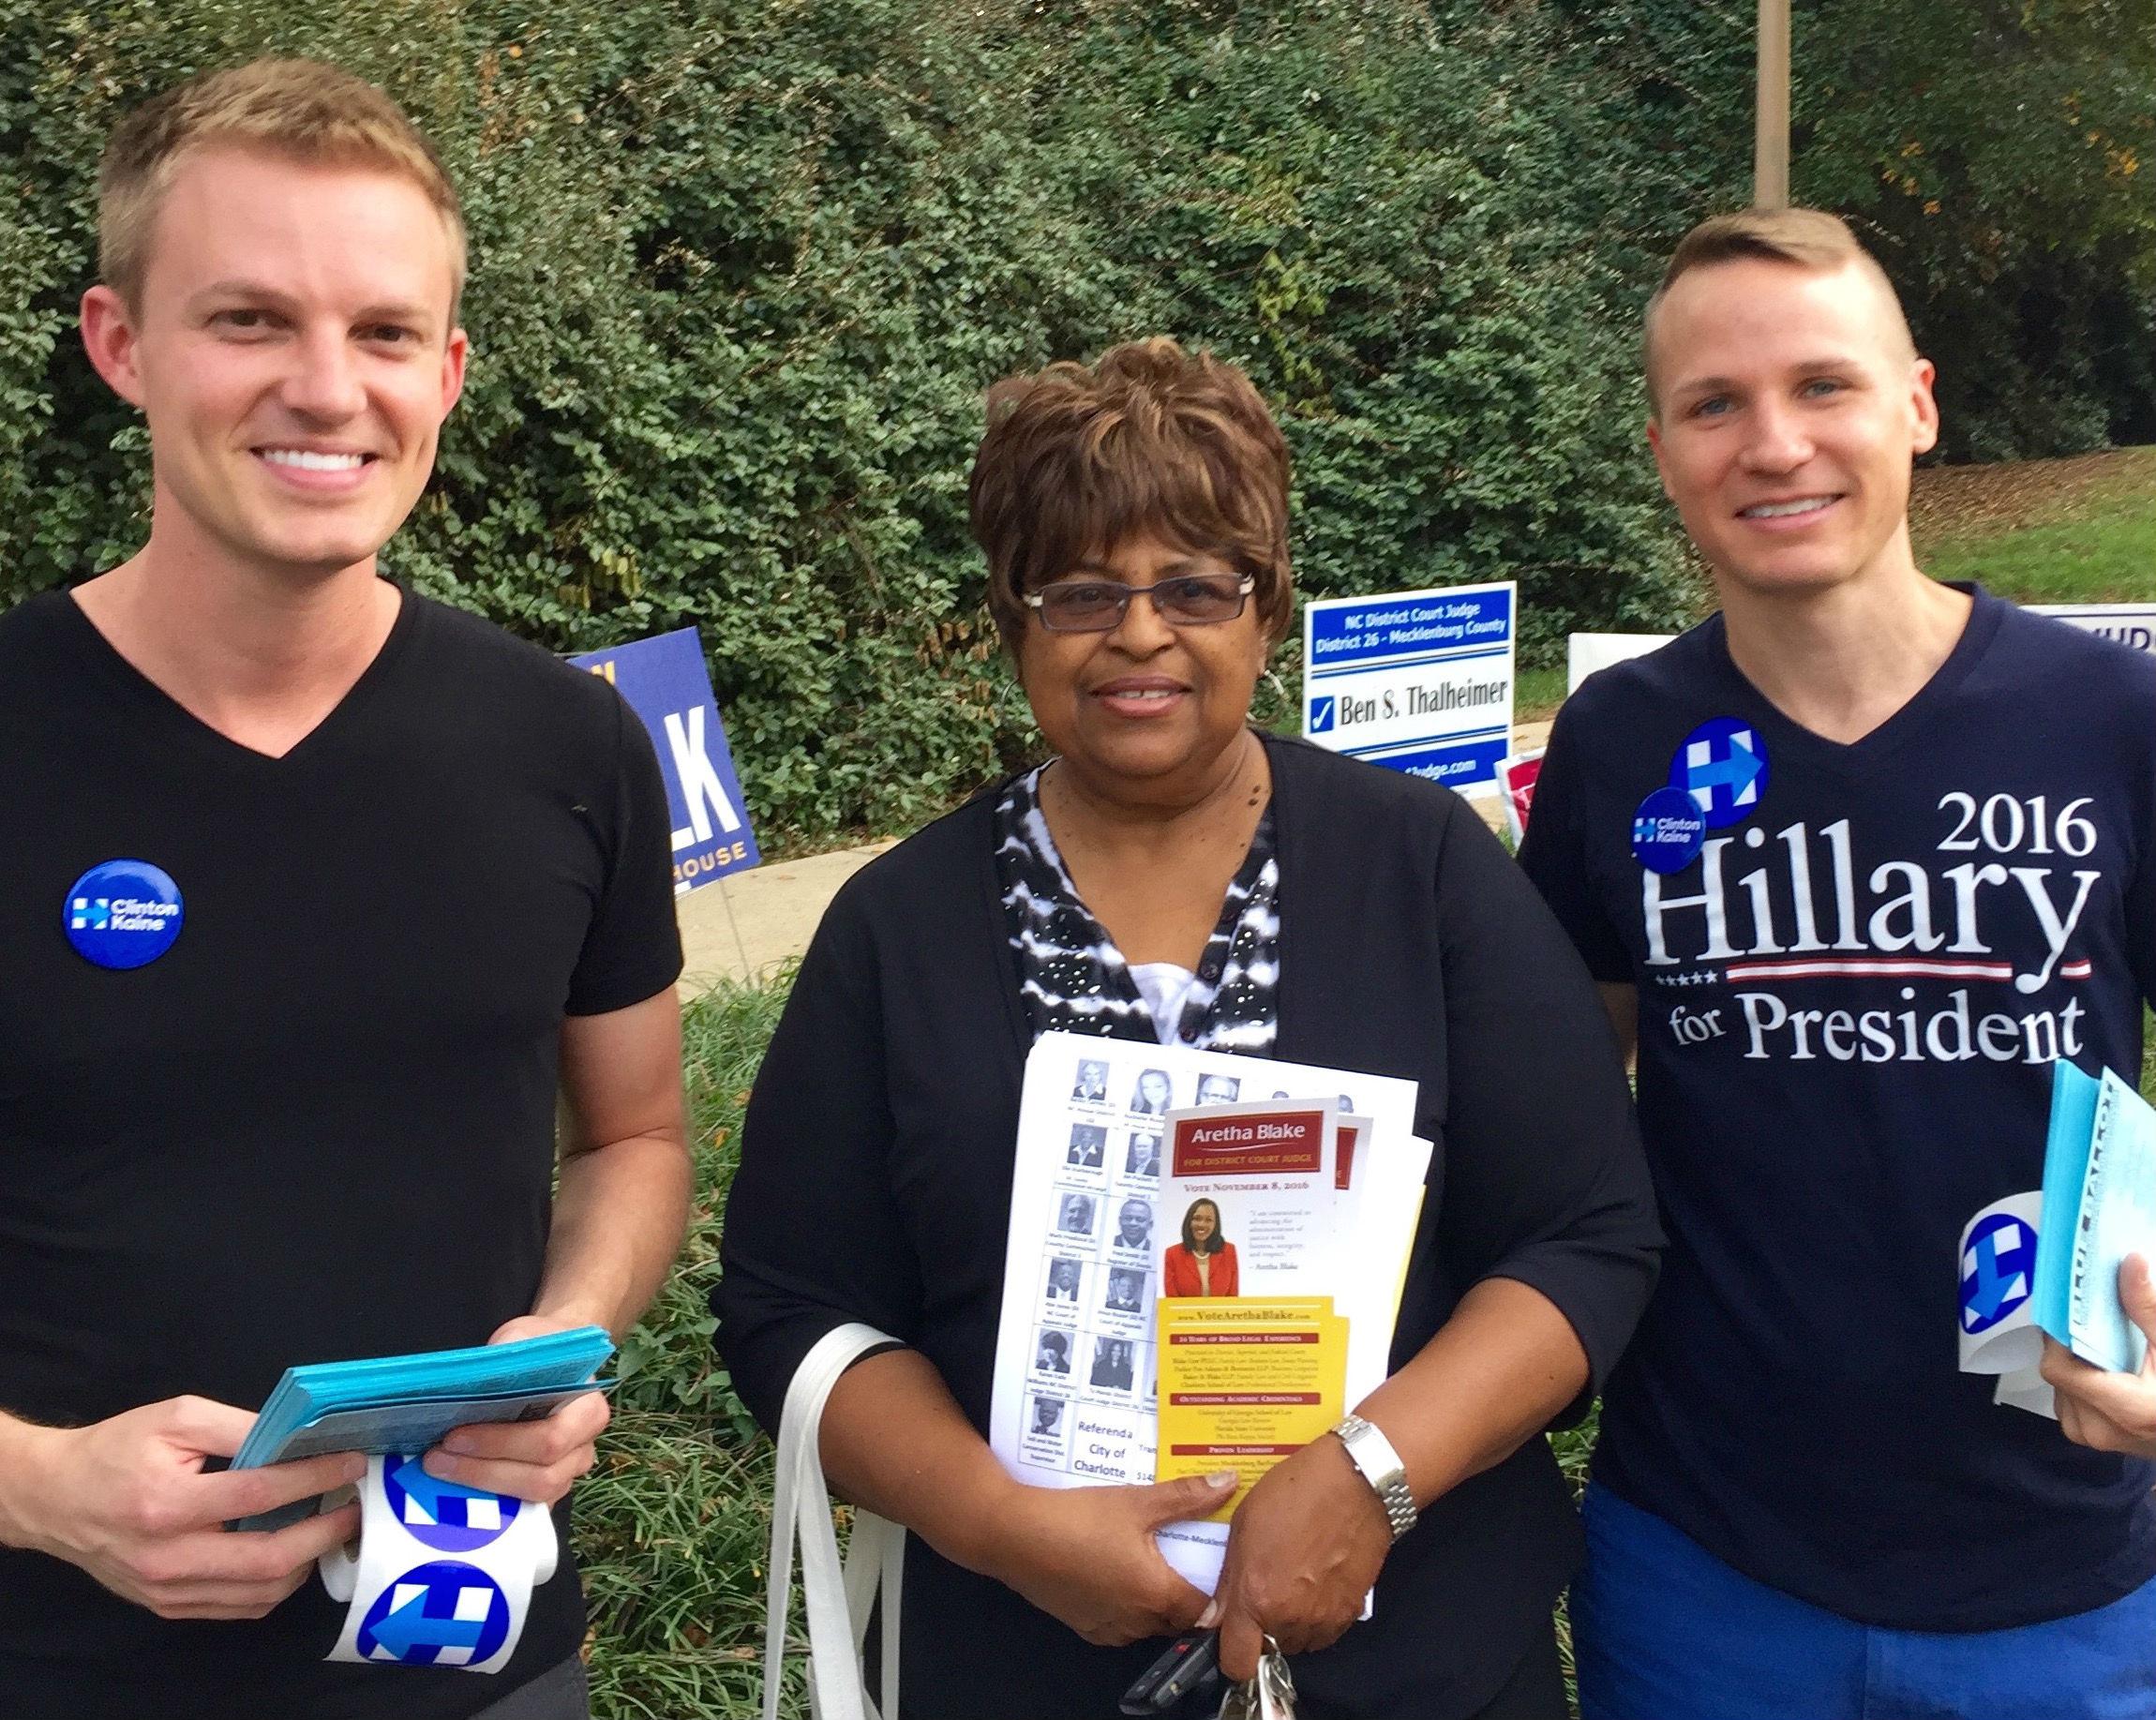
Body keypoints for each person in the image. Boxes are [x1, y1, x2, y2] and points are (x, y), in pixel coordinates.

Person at [718, 337, 1660, 1717]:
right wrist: (995, 1520)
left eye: (1195, 586)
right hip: (1019, 1659)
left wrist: (1370, 1474)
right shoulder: (895, 928)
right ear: (1012, 618)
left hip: (1420, 1656)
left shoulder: (1428, 872)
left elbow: (1587, 1235)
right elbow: (793, 1310)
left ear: (1266, 612)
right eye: (1083, 591)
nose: (1141, 633)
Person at [0, 62, 690, 1720]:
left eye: (384, 334)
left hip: (483, 1664)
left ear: (444, 373)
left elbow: (639, 1140)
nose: (328, 390)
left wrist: (566, 1335)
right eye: (249, 321)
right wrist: (34, 1488)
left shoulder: (570, 744)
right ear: (120, 343)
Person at [1518, 207, 2156, 1720]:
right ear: (1664, 450)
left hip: (2068, 1569)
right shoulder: (1619, 751)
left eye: (1824, 386)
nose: (1773, 444)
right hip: (1706, 1569)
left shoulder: (2105, 722)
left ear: (1918, 405)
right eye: (1714, 405)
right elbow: (1549, 1114)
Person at [1163, 1199, 1239, 1298]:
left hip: (1219, 1314)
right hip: (1185, 1314)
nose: (1202, 1224)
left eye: (1209, 1220)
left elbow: (1232, 1299)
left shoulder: (1229, 1251)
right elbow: (1172, 1302)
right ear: (1189, 1221)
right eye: (1197, 1218)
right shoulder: (1172, 1254)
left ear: (1215, 1224)